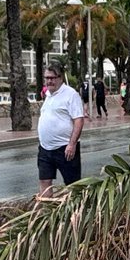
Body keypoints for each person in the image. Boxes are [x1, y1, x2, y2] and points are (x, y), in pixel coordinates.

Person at [36, 63, 86, 198]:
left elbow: (78, 120)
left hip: (65, 148)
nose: (49, 81)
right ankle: (47, 215)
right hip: (45, 149)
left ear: (60, 78)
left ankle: (74, 215)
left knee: (73, 185)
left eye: (52, 78)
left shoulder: (70, 94)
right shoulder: (48, 94)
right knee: (44, 182)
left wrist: (72, 144)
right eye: (47, 78)